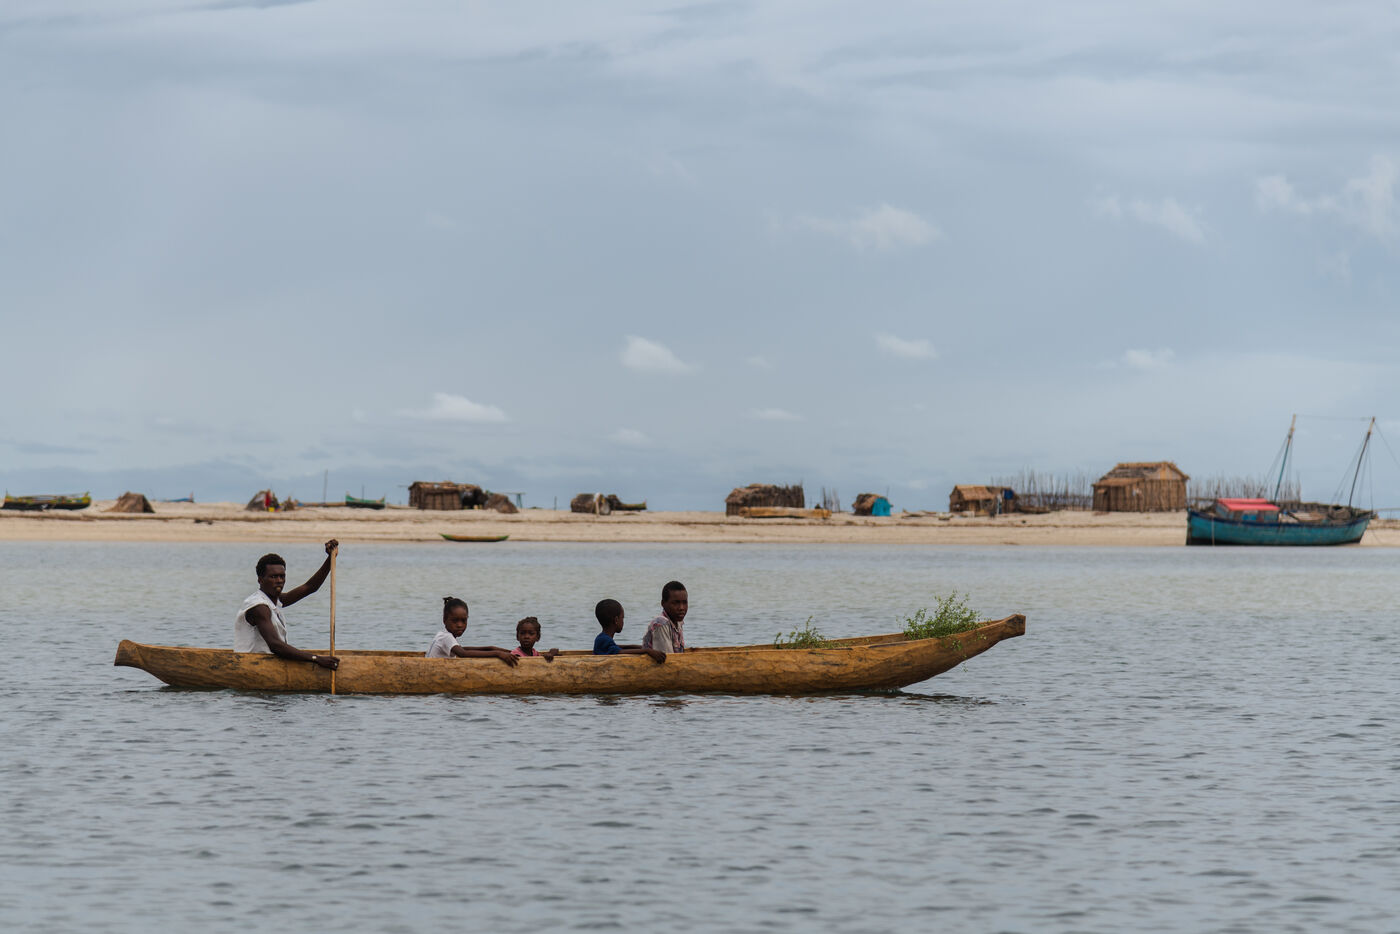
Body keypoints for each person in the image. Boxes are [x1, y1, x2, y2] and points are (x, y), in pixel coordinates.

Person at [235, 540, 340, 669]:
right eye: (273, 577)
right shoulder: (259, 607)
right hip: (253, 666)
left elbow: (310, 587)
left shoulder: (275, 600)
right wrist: (315, 659)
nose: (279, 581)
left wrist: (330, 559)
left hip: (270, 664)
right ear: (260, 579)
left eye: (282, 576)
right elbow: (275, 645)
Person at [427, 596, 517, 666]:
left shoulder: (442, 634)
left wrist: (491, 648)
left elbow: (463, 649)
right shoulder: (446, 637)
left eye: (463, 621)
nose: (459, 625)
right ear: (444, 620)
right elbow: (463, 653)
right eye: (455, 621)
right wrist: (497, 654)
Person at [592, 599, 665, 662]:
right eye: (622, 618)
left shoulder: (604, 638)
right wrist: (647, 651)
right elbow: (620, 652)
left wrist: (643, 647)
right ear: (616, 620)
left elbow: (620, 648)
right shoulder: (603, 639)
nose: (623, 621)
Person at [641, 581, 688, 654]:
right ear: (663, 603)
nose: (681, 608)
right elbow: (668, 657)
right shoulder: (661, 623)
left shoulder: (678, 622)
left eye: (684, 602)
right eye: (675, 603)